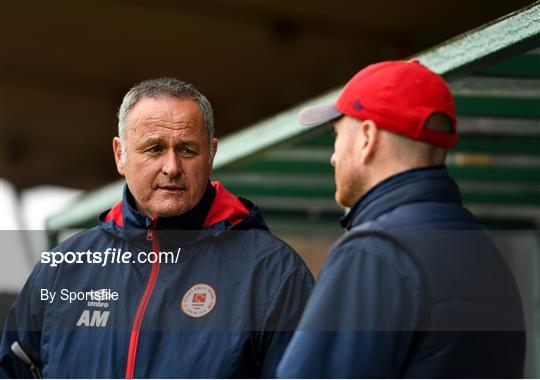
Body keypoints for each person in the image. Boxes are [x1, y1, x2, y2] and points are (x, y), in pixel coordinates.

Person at [0, 78, 314, 378]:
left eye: (188, 150)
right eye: (154, 149)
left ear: (212, 154)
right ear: (120, 155)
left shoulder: (273, 273)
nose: (172, 167)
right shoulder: (62, 270)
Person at [277, 60, 526, 378]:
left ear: (366, 137)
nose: (334, 156)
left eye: (337, 135)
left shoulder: (376, 251)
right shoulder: (487, 256)